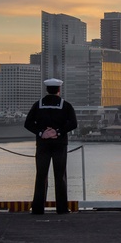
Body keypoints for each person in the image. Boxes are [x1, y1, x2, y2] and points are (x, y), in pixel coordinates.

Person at [24, 78, 78, 215]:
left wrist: (42, 133)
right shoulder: (66, 105)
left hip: (43, 145)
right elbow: (73, 123)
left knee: (41, 176)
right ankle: (62, 209)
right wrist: (57, 132)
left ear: (47, 90)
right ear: (59, 89)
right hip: (60, 144)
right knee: (60, 177)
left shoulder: (38, 105)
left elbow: (28, 123)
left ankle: (37, 208)